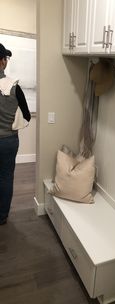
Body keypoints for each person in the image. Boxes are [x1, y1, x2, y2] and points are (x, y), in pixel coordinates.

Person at [0, 43, 31, 225]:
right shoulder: (14, 87)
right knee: (5, 177)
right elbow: (27, 116)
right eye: (6, 58)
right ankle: (2, 216)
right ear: (3, 62)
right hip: (8, 141)